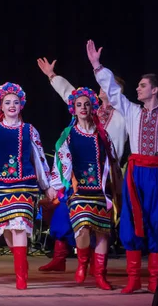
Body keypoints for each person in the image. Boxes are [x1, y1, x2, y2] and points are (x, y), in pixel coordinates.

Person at [37, 57, 127, 274]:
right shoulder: (89, 108)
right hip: (78, 178)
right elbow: (71, 94)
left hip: (105, 177)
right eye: (102, 87)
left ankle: (99, 270)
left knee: (101, 225)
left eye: (109, 87)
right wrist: (52, 75)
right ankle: (61, 258)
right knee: (63, 217)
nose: (103, 90)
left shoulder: (124, 116)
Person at [87, 39, 158, 294]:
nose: (137, 89)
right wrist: (97, 66)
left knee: (157, 222)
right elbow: (114, 92)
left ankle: (154, 280)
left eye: (142, 86)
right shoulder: (132, 111)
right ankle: (133, 279)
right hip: (135, 172)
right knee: (130, 221)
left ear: (155, 90)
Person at [0, 82, 52, 289]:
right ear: (0, 106)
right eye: (7, 102)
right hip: (1, 186)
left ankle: (21, 277)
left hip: (25, 186)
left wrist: (46, 185)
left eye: (16, 102)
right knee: (6, 230)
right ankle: (21, 261)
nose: (12, 105)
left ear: (21, 105)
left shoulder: (30, 130)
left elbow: (39, 158)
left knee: (19, 225)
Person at [49, 86, 119, 290]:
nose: (83, 108)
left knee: (103, 232)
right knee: (83, 226)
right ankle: (81, 265)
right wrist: (56, 185)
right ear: (73, 108)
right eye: (79, 105)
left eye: (87, 104)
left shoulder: (102, 134)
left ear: (92, 107)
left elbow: (112, 161)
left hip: (100, 191)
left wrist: (116, 189)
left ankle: (100, 274)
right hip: (78, 191)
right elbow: (60, 160)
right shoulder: (69, 133)